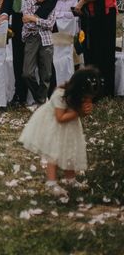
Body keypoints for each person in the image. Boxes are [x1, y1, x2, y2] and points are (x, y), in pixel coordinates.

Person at [19, 67, 100, 197]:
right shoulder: (60, 94)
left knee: (71, 150)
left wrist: (85, 111)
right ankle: (51, 182)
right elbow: (60, 118)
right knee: (54, 153)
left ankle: (70, 179)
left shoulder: (79, 95)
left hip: (70, 125)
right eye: (85, 97)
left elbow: (77, 114)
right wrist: (79, 112)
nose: (86, 99)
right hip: (55, 125)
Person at [21, 0, 57, 105]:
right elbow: (27, 24)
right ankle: (39, 96)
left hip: (46, 40)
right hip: (31, 38)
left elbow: (51, 24)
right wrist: (35, 20)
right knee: (27, 73)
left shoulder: (51, 5)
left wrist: (34, 18)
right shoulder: (27, 4)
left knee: (46, 73)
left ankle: (41, 101)